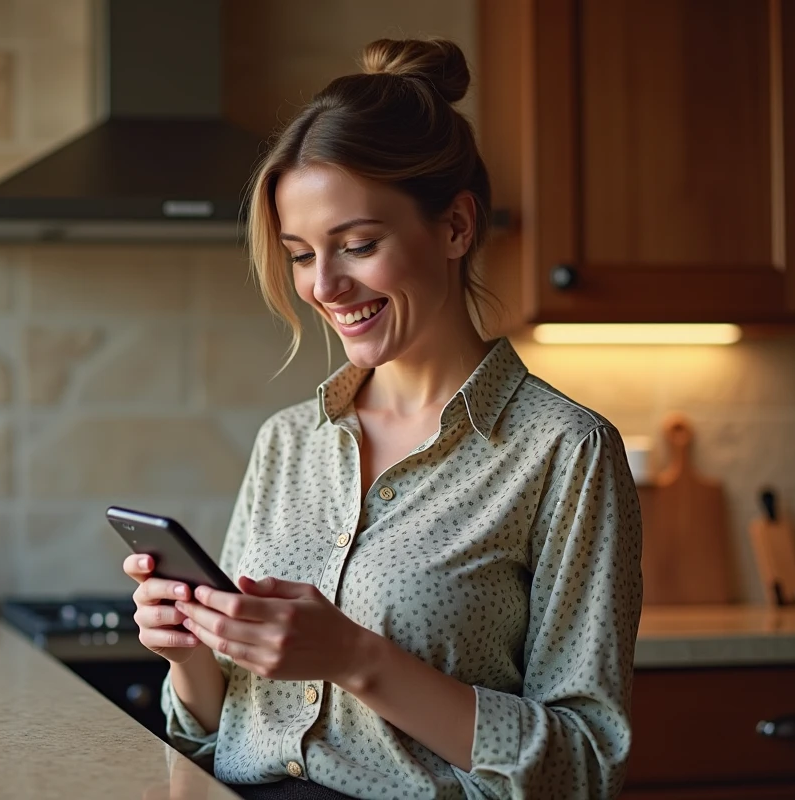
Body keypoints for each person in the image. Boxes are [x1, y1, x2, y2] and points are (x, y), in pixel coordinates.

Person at [124, 36, 643, 800]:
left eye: (358, 245)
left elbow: (585, 765)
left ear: (457, 227)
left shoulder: (563, 451)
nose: (325, 285)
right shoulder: (287, 442)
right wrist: (191, 655)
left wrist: (358, 658)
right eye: (300, 254)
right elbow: (213, 729)